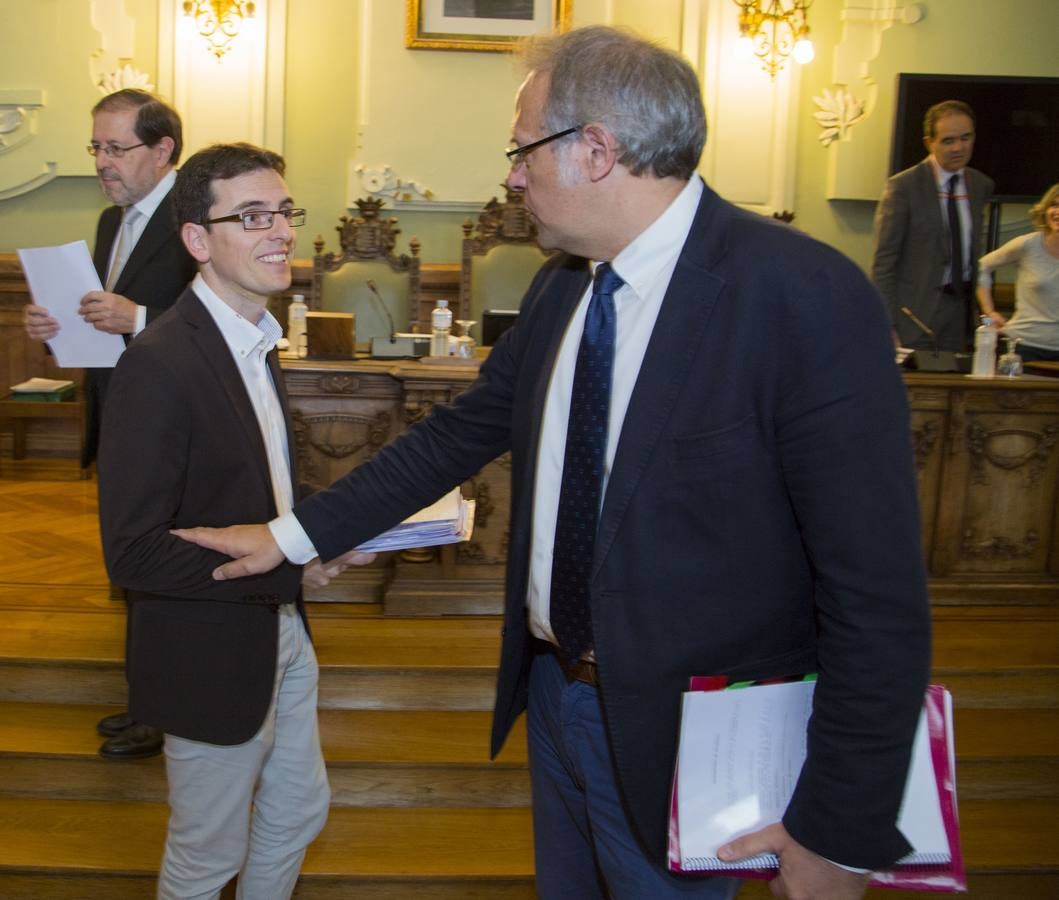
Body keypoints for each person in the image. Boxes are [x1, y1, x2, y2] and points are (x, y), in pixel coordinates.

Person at [174, 27, 932, 900]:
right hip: (555, 694)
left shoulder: (801, 295)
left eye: (522, 148)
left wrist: (840, 829)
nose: (510, 174)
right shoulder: (566, 281)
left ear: (597, 151)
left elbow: (875, 593)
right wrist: (293, 535)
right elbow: (457, 434)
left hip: (692, 740)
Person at [98, 142, 364, 900]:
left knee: (300, 807)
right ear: (196, 240)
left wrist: (318, 541)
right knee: (206, 852)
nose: (279, 231)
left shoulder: (254, 341)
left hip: (281, 626)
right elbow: (133, 555)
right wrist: (290, 560)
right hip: (208, 646)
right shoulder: (160, 361)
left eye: (283, 211)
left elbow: (258, 494)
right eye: (250, 217)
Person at [22, 88, 195, 761]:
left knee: (160, 571)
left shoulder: (194, 217)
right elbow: (102, 317)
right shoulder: (109, 222)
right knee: (132, 568)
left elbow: (225, 320)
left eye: (115, 148)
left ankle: (167, 712)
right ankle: (147, 702)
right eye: (95, 147)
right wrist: (54, 325)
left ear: (162, 150)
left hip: (172, 427)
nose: (101, 162)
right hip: (119, 419)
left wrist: (142, 320)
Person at [871, 99, 994, 351]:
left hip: (961, 319)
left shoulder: (980, 185)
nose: (959, 147)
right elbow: (883, 263)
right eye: (949, 140)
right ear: (930, 142)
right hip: (913, 317)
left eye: (966, 138)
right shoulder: (903, 187)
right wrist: (887, 324)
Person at [977, 182, 1059, 362]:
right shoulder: (1028, 244)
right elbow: (981, 267)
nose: (1057, 212)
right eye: (1054, 205)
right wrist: (989, 314)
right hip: (1022, 347)